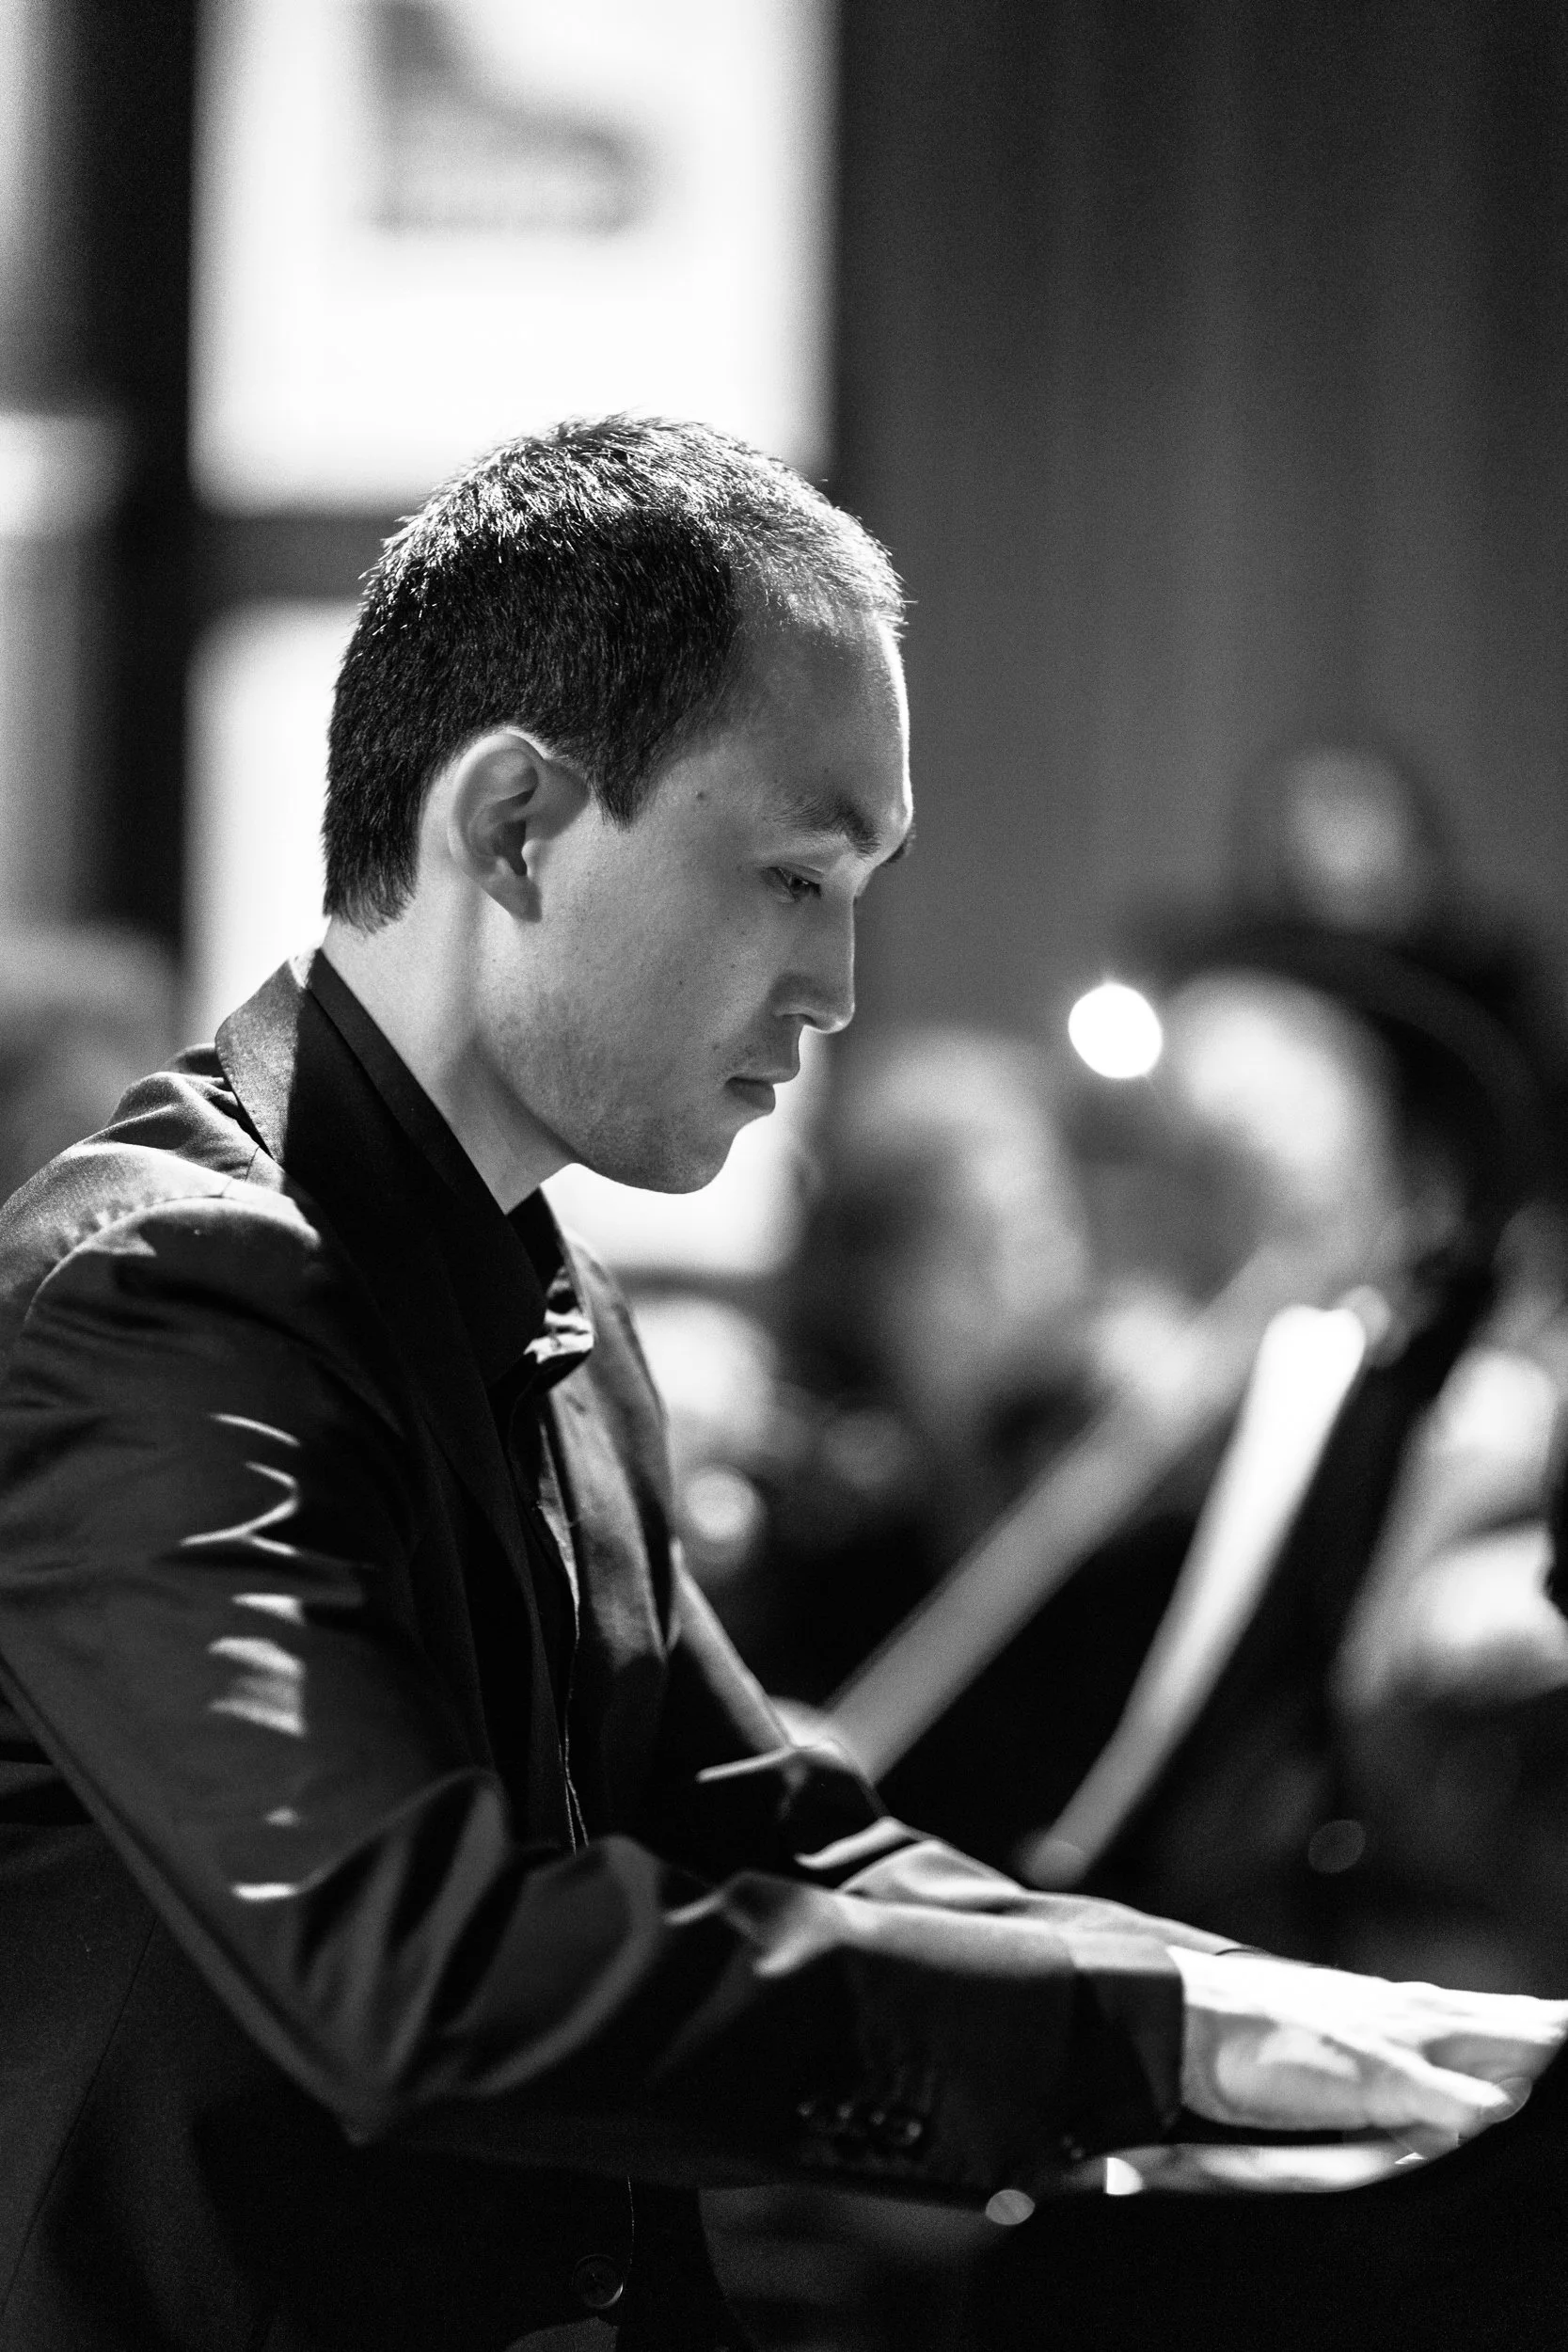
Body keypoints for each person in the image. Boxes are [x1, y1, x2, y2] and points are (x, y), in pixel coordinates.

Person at [0, 419, 1556, 2352]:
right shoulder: (164, 1291)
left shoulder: (548, 1302)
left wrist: (1274, 2016)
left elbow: (774, 1831)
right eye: (795, 876)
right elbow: (418, 1969)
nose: (836, 985)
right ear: (513, 824)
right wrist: (1149, 2038)